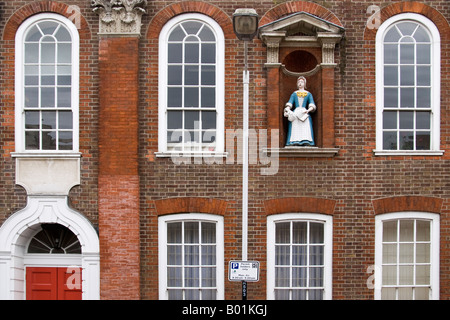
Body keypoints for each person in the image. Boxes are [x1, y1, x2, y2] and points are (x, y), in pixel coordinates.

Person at [283, 76, 316, 146]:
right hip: (296, 112)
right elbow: (290, 103)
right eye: (299, 82)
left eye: (302, 82)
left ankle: (306, 140)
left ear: (304, 83)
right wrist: (288, 109)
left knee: (305, 126)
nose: (300, 83)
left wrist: (308, 110)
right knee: (295, 126)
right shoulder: (294, 94)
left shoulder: (308, 94)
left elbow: (312, 104)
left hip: (304, 112)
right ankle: (295, 141)